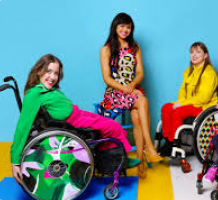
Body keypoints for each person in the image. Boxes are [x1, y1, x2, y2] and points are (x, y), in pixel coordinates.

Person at [11, 54, 141, 184]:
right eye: (48, 71)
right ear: (39, 71)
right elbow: (23, 127)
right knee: (113, 126)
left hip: (78, 113)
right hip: (73, 122)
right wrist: (15, 162)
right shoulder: (34, 94)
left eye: (56, 73)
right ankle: (120, 160)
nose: (52, 77)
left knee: (109, 124)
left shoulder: (47, 90)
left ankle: (113, 159)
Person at [98, 12, 162, 179]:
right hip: (114, 93)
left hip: (132, 90)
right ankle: (149, 147)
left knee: (137, 119)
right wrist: (125, 89)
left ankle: (141, 165)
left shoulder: (135, 47)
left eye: (128, 26)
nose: (125, 29)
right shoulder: (106, 49)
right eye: (122, 26)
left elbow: (140, 72)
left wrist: (132, 85)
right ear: (115, 27)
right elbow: (106, 78)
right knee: (142, 100)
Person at [161, 42, 218, 142]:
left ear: (205, 55)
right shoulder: (189, 71)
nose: (194, 55)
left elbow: (204, 98)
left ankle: (174, 142)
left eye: (198, 52)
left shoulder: (209, 73)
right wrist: (180, 102)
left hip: (204, 106)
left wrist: (182, 104)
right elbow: (182, 90)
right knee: (166, 108)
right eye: (192, 52)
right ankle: (167, 140)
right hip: (191, 103)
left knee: (178, 112)